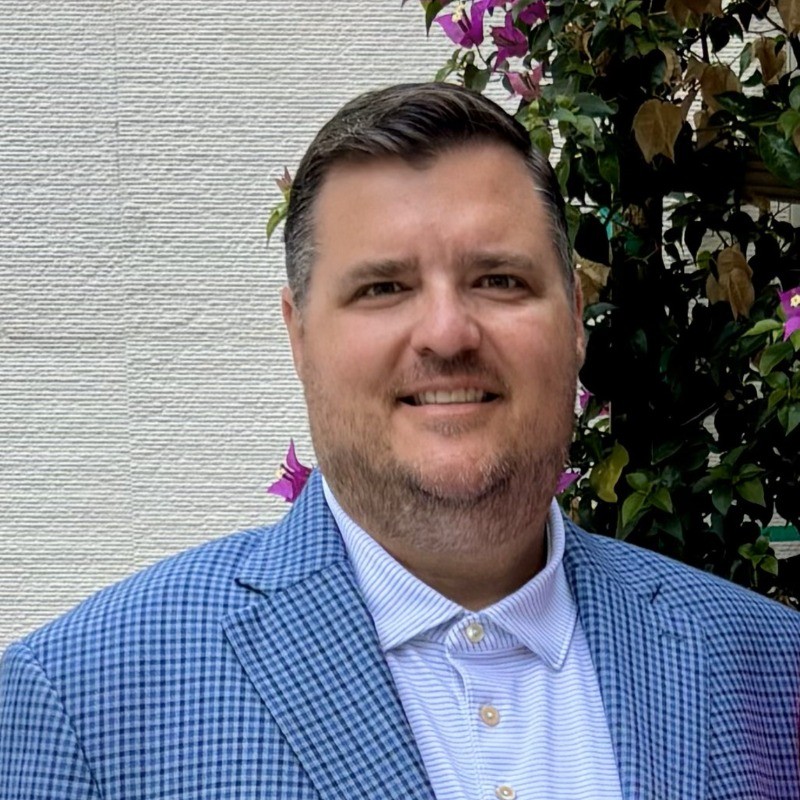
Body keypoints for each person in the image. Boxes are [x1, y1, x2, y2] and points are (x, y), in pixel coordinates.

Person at [1, 82, 798, 800]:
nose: (447, 333)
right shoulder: (77, 704)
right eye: (384, 287)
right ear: (299, 336)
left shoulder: (772, 669)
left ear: (576, 323)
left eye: (499, 280)